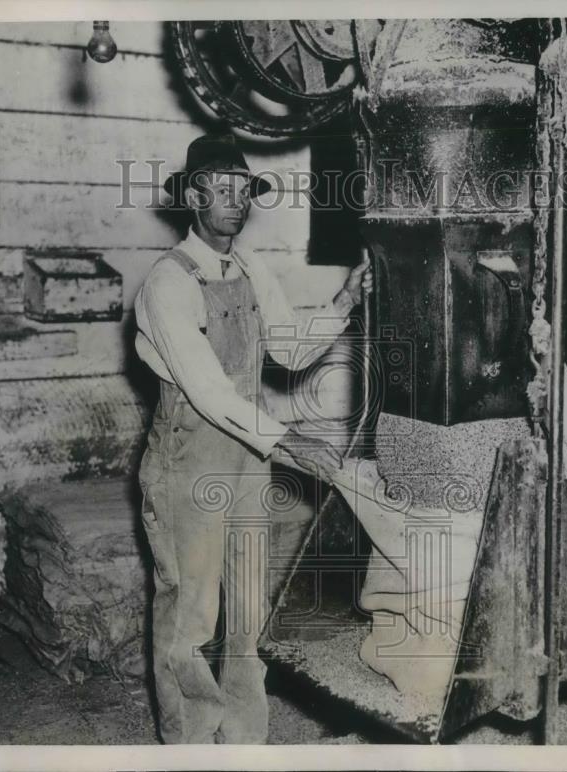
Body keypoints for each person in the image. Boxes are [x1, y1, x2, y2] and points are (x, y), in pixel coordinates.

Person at [133, 133, 372, 744]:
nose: (236, 201)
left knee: (246, 615)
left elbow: (289, 349)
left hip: (244, 464)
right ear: (192, 196)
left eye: (245, 189)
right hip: (187, 464)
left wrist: (343, 300)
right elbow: (210, 391)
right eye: (222, 188)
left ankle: (244, 742)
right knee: (190, 618)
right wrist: (291, 444)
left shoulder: (249, 269)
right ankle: (189, 744)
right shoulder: (167, 284)